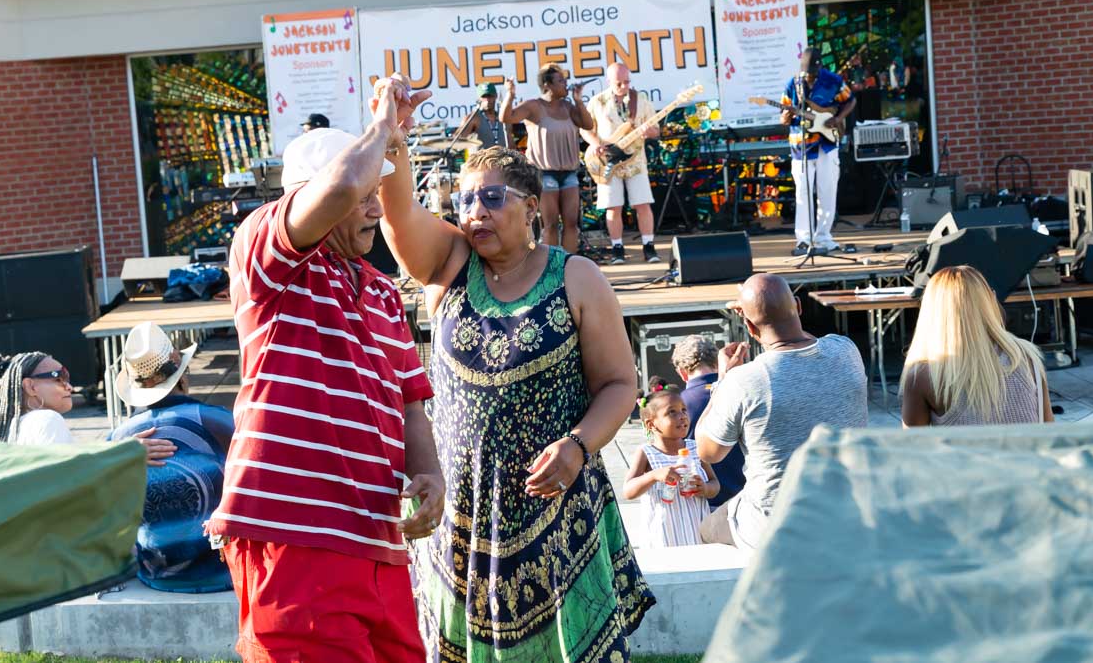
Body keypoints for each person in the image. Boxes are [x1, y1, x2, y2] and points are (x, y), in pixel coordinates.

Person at [377, 76, 654, 662]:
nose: (474, 211)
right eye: (465, 199)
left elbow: (620, 385)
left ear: (532, 207)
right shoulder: (451, 266)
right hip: (467, 510)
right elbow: (398, 216)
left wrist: (579, 446)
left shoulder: (577, 277)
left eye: (492, 198)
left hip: (556, 504)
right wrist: (392, 136)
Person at [206, 104, 446, 663]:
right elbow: (339, 187)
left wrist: (429, 473)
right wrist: (384, 125)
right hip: (295, 532)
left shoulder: (384, 291)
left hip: (376, 540)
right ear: (307, 199)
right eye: (364, 198)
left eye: (375, 195)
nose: (372, 209)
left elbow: (410, 401)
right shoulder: (266, 254)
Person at [696, 273, 868, 552]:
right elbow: (809, 342)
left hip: (777, 527)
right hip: (851, 515)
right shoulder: (846, 350)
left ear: (749, 327)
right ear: (799, 307)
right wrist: (775, 309)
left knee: (706, 528)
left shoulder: (744, 381)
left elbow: (708, 452)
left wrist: (723, 381)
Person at [109, 321, 235, 593]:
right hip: (222, 571)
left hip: (157, 574)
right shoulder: (221, 423)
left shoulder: (119, 439)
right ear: (184, 375)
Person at [900, 266, 1053, 427]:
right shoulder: (1027, 355)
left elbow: (913, 447)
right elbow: (1049, 430)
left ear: (931, 312)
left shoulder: (925, 374)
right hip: (1029, 452)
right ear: (989, 302)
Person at [0, 351, 176, 464]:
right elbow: (69, 477)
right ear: (31, 387)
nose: (69, 387)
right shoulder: (45, 420)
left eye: (67, 378)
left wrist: (118, 449)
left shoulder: (12, 428)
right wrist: (123, 455)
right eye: (58, 378)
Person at [498, 64, 594, 252]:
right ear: (547, 85)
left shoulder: (568, 107)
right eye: (561, 81)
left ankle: (568, 265)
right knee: (550, 224)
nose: (566, 84)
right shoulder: (535, 106)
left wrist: (579, 101)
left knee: (571, 223)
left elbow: (588, 124)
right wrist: (510, 94)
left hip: (569, 172)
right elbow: (506, 117)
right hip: (545, 173)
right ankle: (550, 269)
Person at [582, 63, 662, 265]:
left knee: (643, 203)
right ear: (609, 81)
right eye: (619, 83)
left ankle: (648, 245)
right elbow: (584, 128)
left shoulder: (640, 100)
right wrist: (596, 144)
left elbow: (656, 130)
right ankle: (617, 247)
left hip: (636, 160)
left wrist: (648, 131)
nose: (624, 86)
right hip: (608, 160)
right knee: (613, 206)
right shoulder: (597, 102)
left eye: (627, 82)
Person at [623, 379, 717, 548]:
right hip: (663, 538)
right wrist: (653, 476)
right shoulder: (646, 453)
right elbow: (628, 491)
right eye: (671, 412)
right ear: (651, 424)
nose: (682, 416)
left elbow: (715, 484)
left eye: (683, 410)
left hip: (697, 533)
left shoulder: (696, 448)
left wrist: (705, 488)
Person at [781, 47, 855, 256]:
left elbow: (850, 101)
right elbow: (784, 115)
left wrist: (838, 119)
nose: (810, 80)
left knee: (827, 191)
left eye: (813, 76)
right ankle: (803, 239)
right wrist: (785, 117)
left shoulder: (833, 80)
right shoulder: (793, 84)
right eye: (807, 76)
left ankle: (823, 236)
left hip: (827, 144)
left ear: (820, 68)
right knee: (803, 193)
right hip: (801, 146)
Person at [670, 334, 746, 507]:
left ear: (682, 372)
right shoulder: (741, 393)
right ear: (718, 363)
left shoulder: (678, 406)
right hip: (748, 499)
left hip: (704, 504)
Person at [458, 83, 513, 149]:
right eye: (484, 97)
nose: (487, 99)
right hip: (481, 158)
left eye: (490, 96)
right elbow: (458, 139)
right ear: (479, 99)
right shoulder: (473, 118)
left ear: (496, 96)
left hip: (502, 157)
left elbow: (511, 142)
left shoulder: (503, 118)